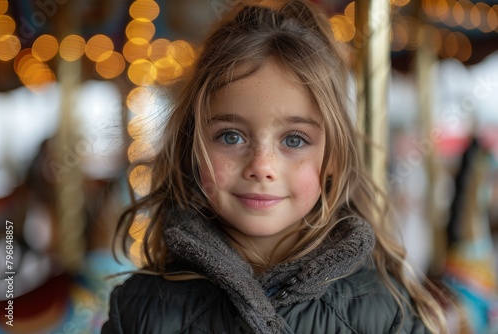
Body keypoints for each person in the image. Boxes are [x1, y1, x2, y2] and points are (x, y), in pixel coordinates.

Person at [102, 1, 450, 333]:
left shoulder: (386, 311)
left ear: (334, 160)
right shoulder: (139, 308)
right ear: (193, 147)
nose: (262, 166)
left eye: (294, 140)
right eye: (231, 137)